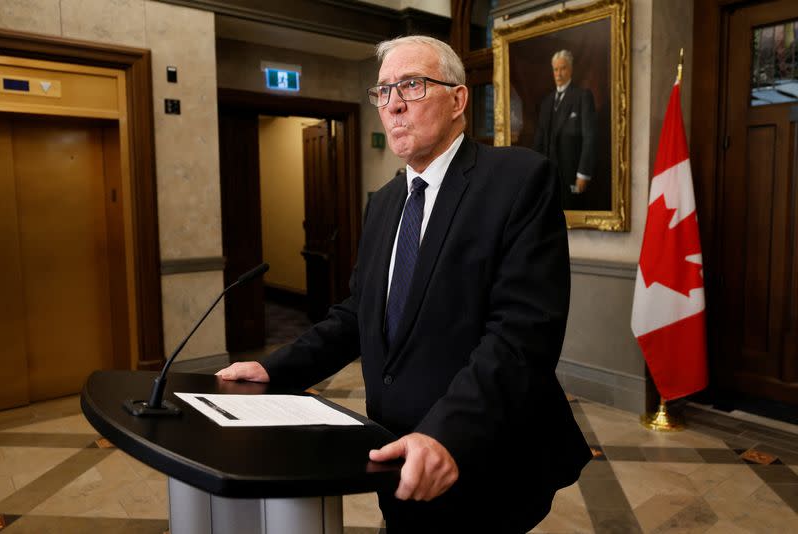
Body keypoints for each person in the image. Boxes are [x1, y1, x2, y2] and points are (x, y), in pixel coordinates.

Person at [216, 35, 591, 533]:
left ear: (458, 100)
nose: (392, 104)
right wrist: (273, 369)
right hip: (394, 451)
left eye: (411, 85)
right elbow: (356, 314)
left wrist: (447, 435)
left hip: (482, 455)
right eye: (383, 91)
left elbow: (521, 335)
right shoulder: (385, 202)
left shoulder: (518, 180)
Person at [532, 49, 596, 210]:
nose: (558, 74)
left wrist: (583, 174)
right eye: (555, 69)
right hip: (548, 177)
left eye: (563, 68)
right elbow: (539, 141)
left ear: (571, 69)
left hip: (572, 175)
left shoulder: (582, 96)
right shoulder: (546, 103)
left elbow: (590, 137)